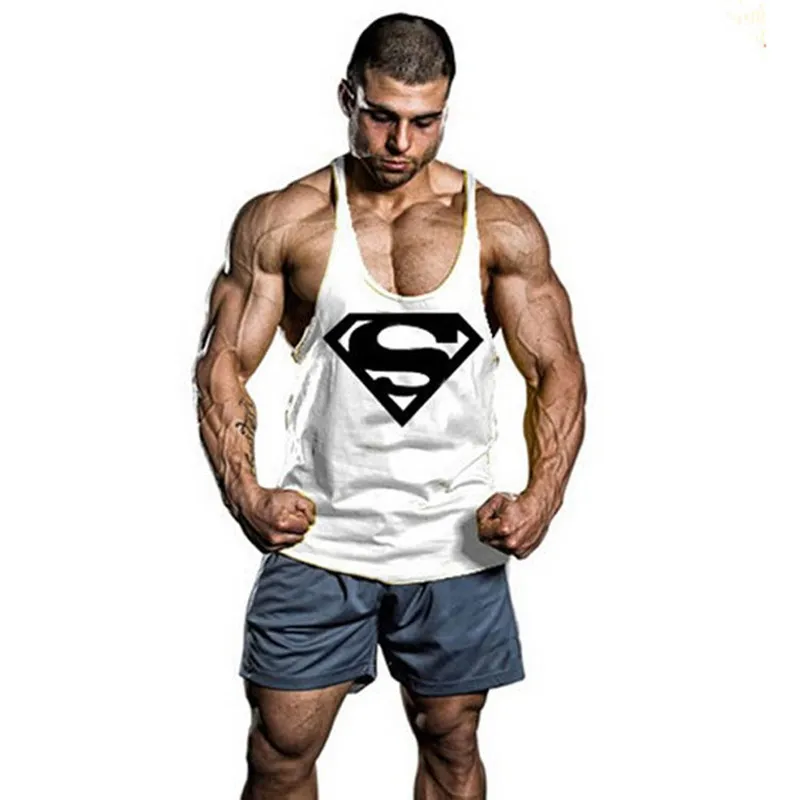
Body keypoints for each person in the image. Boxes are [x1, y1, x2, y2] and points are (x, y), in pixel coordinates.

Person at [194, 12, 586, 800]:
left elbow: (557, 368)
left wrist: (542, 498)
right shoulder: (285, 221)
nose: (401, 142)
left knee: (451, 742)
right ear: (348, 98)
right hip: (320, 538)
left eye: (424, 121)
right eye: (381, 116)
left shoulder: (500, 225)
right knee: (280, 749)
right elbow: (223, 363)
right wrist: (245, 493)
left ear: (446, 110)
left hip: (454, 543)